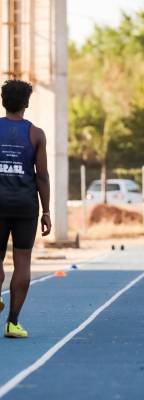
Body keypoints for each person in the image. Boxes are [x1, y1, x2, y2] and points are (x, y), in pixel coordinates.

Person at [0, 79, 51, 338]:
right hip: (25, 206)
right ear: (27, 104)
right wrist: (47, 211)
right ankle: (12, 323)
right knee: (22, 264)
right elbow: (42, 176)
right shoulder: (36, 134)